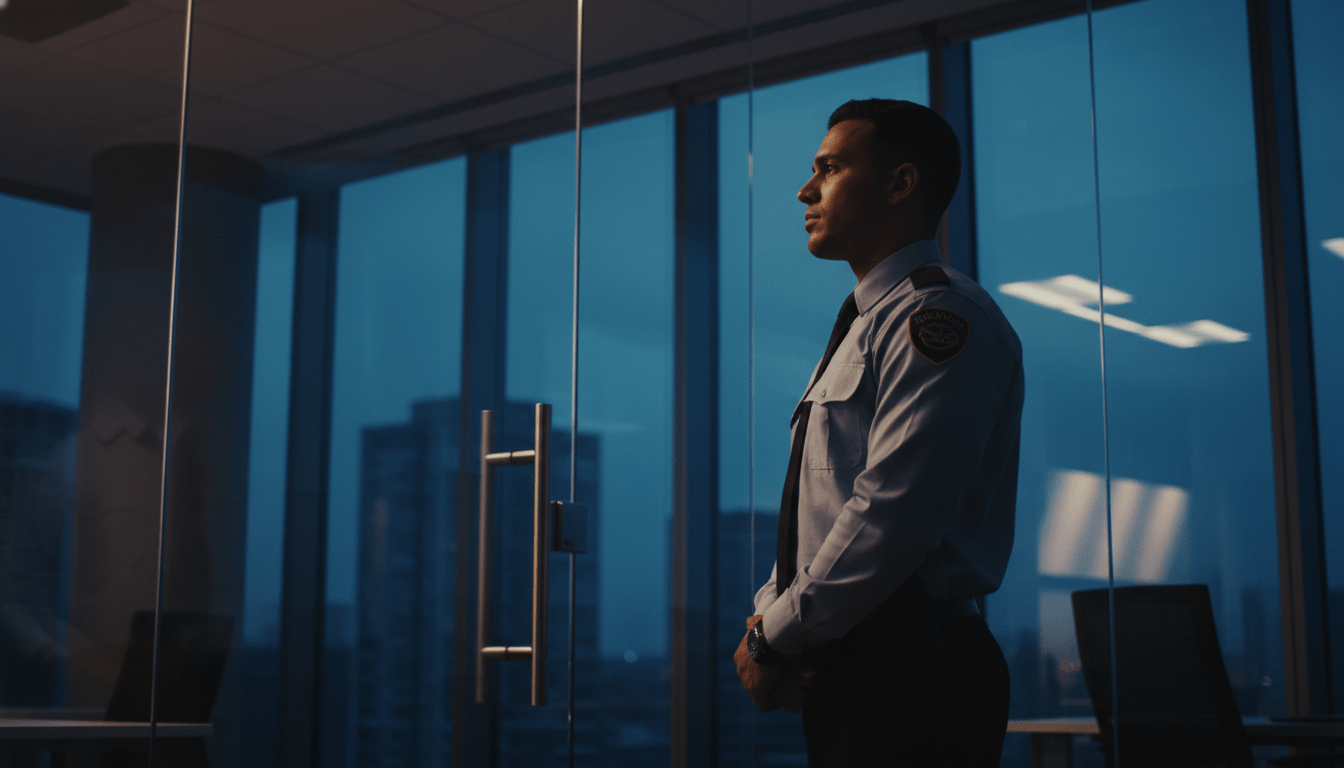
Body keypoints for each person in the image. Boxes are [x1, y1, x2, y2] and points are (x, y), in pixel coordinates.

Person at [733, 98, 1024, 766]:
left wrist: (772, 639)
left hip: (917, 669)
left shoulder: (939, 318)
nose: (805, 190)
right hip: (856, 660)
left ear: (899, 184)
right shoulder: (866, 326)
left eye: (829, 169)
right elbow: (821, 511)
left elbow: (893, 512)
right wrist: (771, 621)